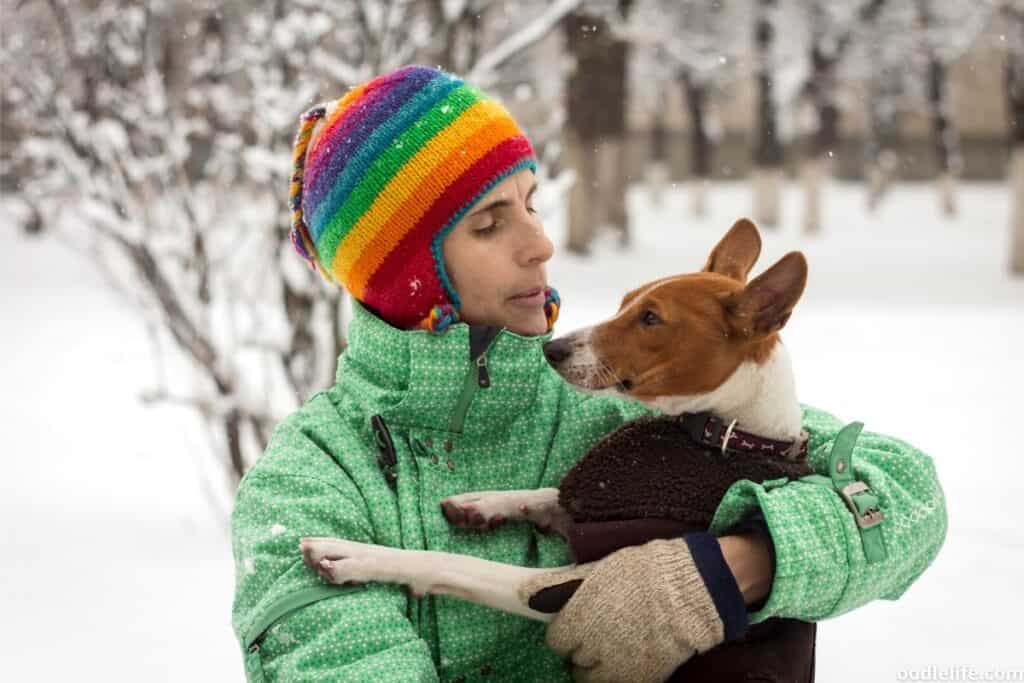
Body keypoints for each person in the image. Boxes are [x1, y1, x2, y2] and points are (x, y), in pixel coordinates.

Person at [231, 65, 947, 682]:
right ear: (407, 275)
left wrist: (734, 565)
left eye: (532, 204)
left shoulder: (631, 401)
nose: (541, 243)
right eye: (489, 224)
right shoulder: (309, 483)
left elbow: (906, 501)